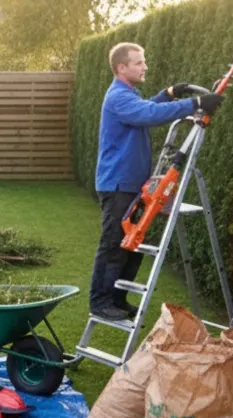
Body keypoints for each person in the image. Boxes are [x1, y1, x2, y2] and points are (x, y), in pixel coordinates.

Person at [89, 42, 223, 321]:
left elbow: (147, 106)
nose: (145, 66)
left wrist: (169, 94)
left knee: (133, 244)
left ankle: (117, 299)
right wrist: (195, 103)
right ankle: (100, 301)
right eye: (138, 63)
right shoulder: (118, 97)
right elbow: (147, 115)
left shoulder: (128, 95)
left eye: (144, 61)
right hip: (118, 184)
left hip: (132, 183)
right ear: (121, 68)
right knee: (114, 244)